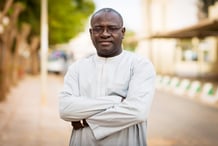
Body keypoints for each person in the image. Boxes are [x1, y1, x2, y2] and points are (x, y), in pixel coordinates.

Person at [59, 7, 156, 146]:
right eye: (98, 29)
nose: (105, 34)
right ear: (91, 33)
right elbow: (65, 109)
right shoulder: (77, 68)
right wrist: (115, 100)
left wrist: (86, 120)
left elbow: (138, 111)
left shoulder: (140, 65)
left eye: (112, 28)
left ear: (122, 32)